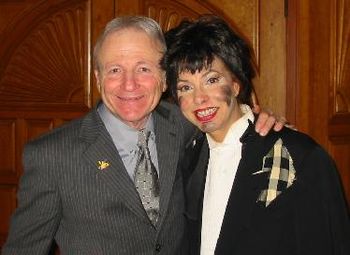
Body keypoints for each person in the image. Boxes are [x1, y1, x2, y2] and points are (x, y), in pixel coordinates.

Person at [2, 16, 282, 255]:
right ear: (98, 78)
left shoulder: (185, 124)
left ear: (164, 79)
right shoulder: (52, 156)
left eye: (144, 69)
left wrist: (259, 120)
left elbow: (228, 118)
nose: (129, 84)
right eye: (115, 70)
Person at [161, 15, 350, 255]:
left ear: (236, 83)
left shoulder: (300, 157)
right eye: (185, 87)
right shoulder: (187, 159)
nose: (199, 98)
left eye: (211, 80)